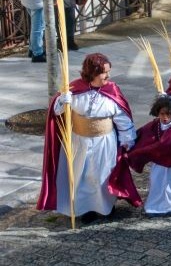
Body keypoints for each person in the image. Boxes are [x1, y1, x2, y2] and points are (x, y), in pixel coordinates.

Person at [37, 53, 141, 223]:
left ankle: (106, 207)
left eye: (108, 71)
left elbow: (122, 118)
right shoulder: (74, 89)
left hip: (104, 142)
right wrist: (62, 100)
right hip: (80, 142)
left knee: (103, 175)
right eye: (104, 72)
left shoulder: (112, 90)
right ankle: (86, 209)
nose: (108, 75)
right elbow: (57, 112)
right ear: (93, 72)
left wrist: (127, 139)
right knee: (82, 176)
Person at [126, 96, 171, 218]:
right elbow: (141, 135)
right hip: (158, 162)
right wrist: (129, 144)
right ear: (157, 113)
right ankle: (154, 207)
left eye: (168, 114)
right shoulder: (154, 125)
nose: (165, 117)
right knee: (156, 183)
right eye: (162, 114)